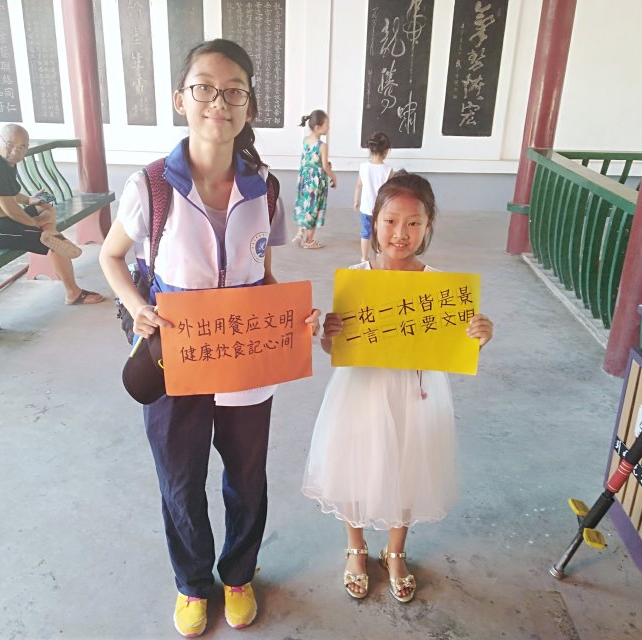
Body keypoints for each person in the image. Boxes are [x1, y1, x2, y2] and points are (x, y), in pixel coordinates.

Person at [98, 39, 320, 638]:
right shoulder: (151, 187)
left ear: (248, 105)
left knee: (247, 476)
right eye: (204, 88)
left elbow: (263, 273)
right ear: (181, 99)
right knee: (180, 478)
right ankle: (193, 583)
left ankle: (239, 574)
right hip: (176, 357)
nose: (218, 101)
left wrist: (289, 316)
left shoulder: (265, 188)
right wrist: (138, 307)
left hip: (245, 357)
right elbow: (110, 256)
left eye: (233, 91)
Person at [301, 172, 493, 604]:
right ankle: (356, 547)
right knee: (355, 465)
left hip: (415, 395)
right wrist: (329, 334)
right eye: (390, 221)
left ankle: (395, 551)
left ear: (428, 226)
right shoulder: (356, 278)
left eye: (413, 223)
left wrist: (478, 334)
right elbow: (335, 348)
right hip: (360, 391)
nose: (400, 233)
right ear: (375, 220)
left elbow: (455, 345)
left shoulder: (440, 287)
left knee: (408, 467)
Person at [0, 123, 104, 305]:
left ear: (26, 148)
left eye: (21, 148)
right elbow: (11, 209)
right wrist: (35, 222)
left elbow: (11, 193)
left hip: (5, 220)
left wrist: (30, 200)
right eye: (10, 145)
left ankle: (49, 231)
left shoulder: (4, 161)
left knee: (45, 204)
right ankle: (73, 293)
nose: (15, 151)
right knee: (56, 244)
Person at [292, 109, 337, 249]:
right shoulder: (322, 146)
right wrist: (333, 177)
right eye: (326, 125)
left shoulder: (305, 140)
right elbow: (324, 166)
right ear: (318, 127)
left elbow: (310, 160)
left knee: (304, 204)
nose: (328, 127)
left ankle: (299, 233)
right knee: (314, 208)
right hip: (316, 183)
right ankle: (309, 241)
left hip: (304, 179)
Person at [353, 132, 393, 263]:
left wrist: (356, 200)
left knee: (366, 233)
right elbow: (390, 192)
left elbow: (358, 185)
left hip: (365, 208)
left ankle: (364, 258)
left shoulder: (363, 167)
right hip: (382, 210)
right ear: (386, 151)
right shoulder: (388, 170)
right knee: (381, 233)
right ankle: (380, 258)